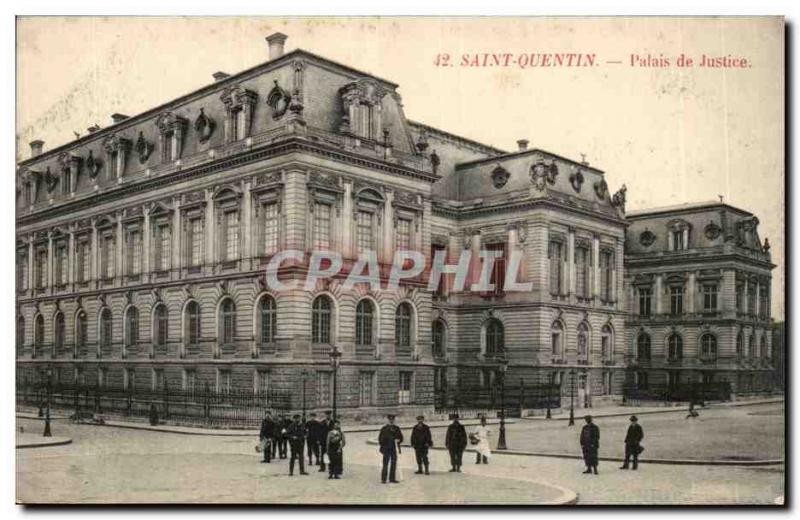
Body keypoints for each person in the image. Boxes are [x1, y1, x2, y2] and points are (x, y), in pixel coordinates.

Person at [378, 414, 404, 483]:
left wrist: (398, 440)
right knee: (385, 464)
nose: (391, 421)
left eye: (392, 419)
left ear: (394, 420)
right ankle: (383, 479)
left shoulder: (397, 428)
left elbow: (401, 437)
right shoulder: (384, 428)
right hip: (386, 449)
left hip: (394, 449)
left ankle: (392, 478)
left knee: (393, 463)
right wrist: (384, 444)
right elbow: (380, 439)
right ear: (388, 420)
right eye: (390, 419)